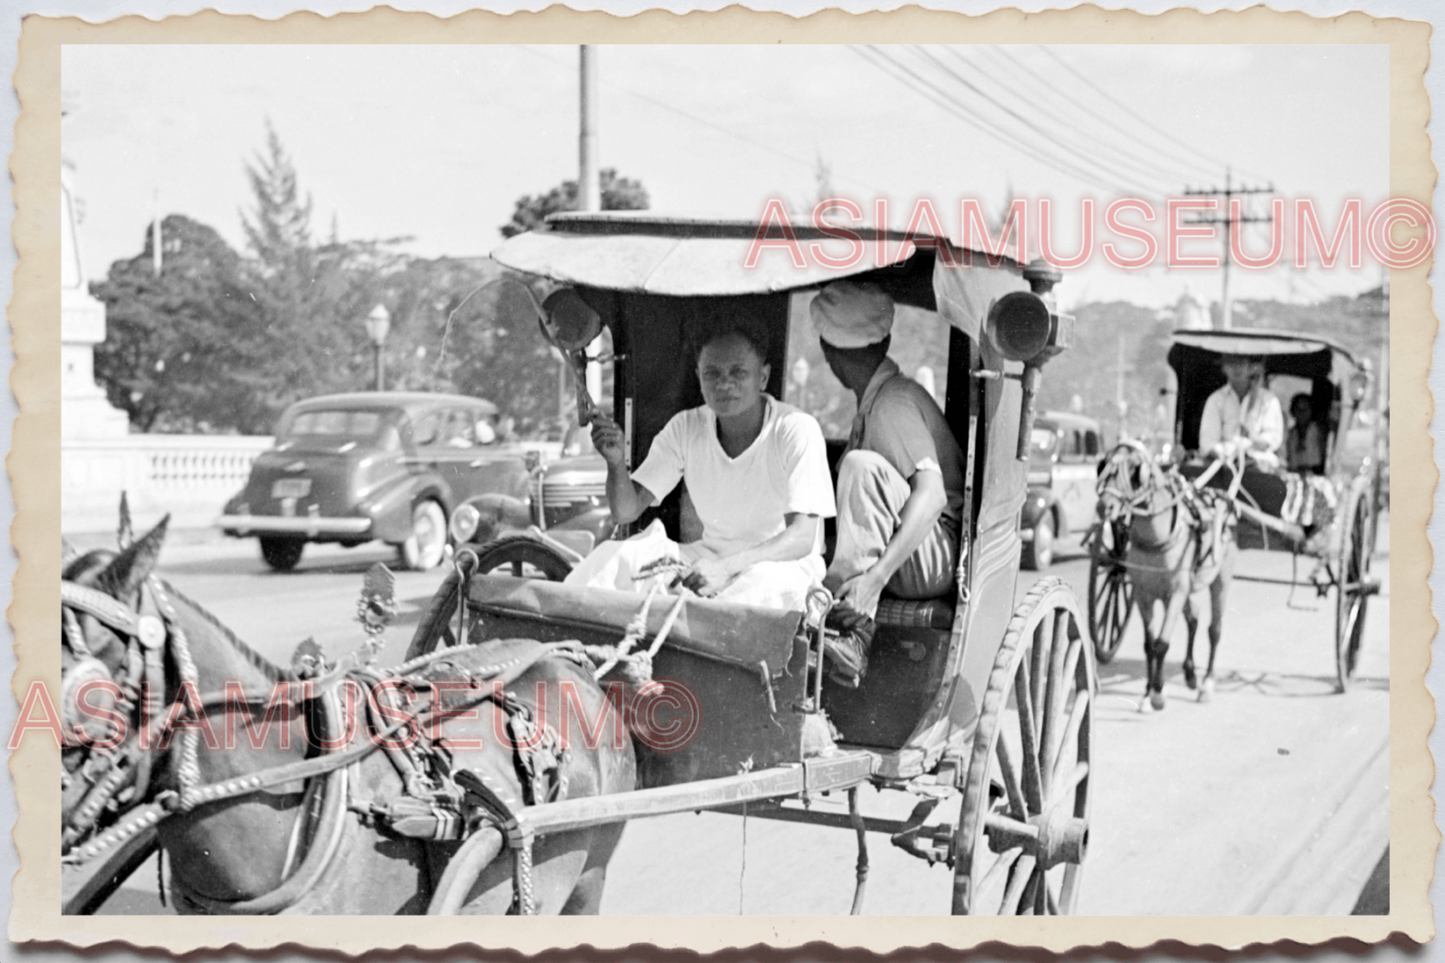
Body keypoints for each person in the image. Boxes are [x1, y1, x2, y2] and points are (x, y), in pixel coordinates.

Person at [563, 326, 835, 612]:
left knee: (757, 588)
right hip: (707, 558)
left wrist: (726, 569)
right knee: (615, 557)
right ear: (699, 377)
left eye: (739, 372)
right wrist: (616, 462)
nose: (724, 384)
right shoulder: (686, 427)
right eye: (712, 373)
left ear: (763, 377)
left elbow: (802, 538)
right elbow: (627, 511)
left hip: (781, 568)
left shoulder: (795, 429)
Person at [812, 280, 966, 687]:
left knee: (861, 467)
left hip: (934, 553)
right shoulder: (877, 402)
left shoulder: (892, 405)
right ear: (885, 341)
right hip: (918, 550)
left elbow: (931, 495)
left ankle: (854, 635)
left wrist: (875, 578)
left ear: (829, 353)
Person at [1197, 355, 1284, 471]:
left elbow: (1273, 438)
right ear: (1224, 368)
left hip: (1260, 467)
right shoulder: (1215, 400)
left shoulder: (1269, 400)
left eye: (1241, 363)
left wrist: (1252, 438)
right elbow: (1207, 443)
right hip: (1223, 467)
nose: (1236, 368)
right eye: (1231, 363)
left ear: (1249, 367)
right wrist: (1227, 456)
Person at [1285, 393, 1326, 474]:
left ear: (1311, 410)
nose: (1302, 413)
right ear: (1293, 412)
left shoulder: (1318, 431)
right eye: (1298, 409)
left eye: (1305, 409)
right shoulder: (1290, 434)